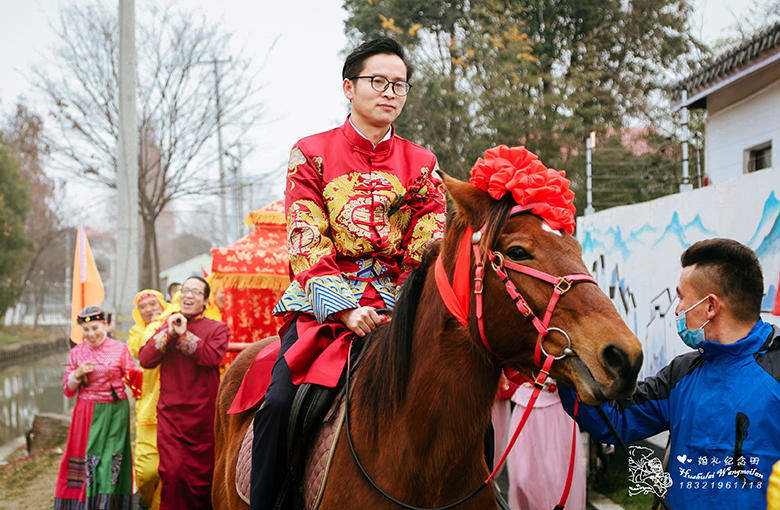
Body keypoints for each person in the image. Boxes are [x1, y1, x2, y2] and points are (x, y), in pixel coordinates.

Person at [249, 37, 447, 510]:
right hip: (326, 306)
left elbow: (430, 242)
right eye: (378, 81)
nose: (390, 92)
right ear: (348, 87)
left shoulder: (423, 164)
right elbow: (305, 236)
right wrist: (345, 308)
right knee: (278, 405)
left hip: (401, 309)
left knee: (463, 407)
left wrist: (404, 306)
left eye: (399, 84)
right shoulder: (311, 153)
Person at [559, 238, 780, 509]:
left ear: (710, 306)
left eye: (681, 297)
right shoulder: (681, 374)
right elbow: (614, 417)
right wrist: (568, 368)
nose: (676, 310)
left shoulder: (775, 371)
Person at [139, 276, 230, 510]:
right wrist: (169, 332)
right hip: (171, 415)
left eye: (196, 292)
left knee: (204, 479)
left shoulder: (218, 328)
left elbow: (211, 358)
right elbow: (145, 359)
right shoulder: (167, 325)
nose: (188, 295)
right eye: (185, 290)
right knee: (173, 474)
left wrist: (184, 335)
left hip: (203, 417)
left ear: (206, 301)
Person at [54, 306, 136, 509]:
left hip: (116, 411)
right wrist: (77, 374)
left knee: (112, 458)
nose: (91, 334)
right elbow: (68, 390)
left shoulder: (120, 349)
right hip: (87, 412)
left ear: (106, 325)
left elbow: (133, 378)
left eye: (95, 328)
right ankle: (83, 502)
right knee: (88, 458)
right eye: (86, 329)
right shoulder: (77, 352)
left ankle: (107, 503)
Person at [126, 289, 168, 510]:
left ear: (162, 304)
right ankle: (145, 499)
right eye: (143, 307)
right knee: (146, 471)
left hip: (173, 406)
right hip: (148, 408)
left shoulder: (173, 322)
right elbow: (140, 348)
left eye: (153, 304)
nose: (149, 309)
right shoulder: (136, 333)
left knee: (170, 469)